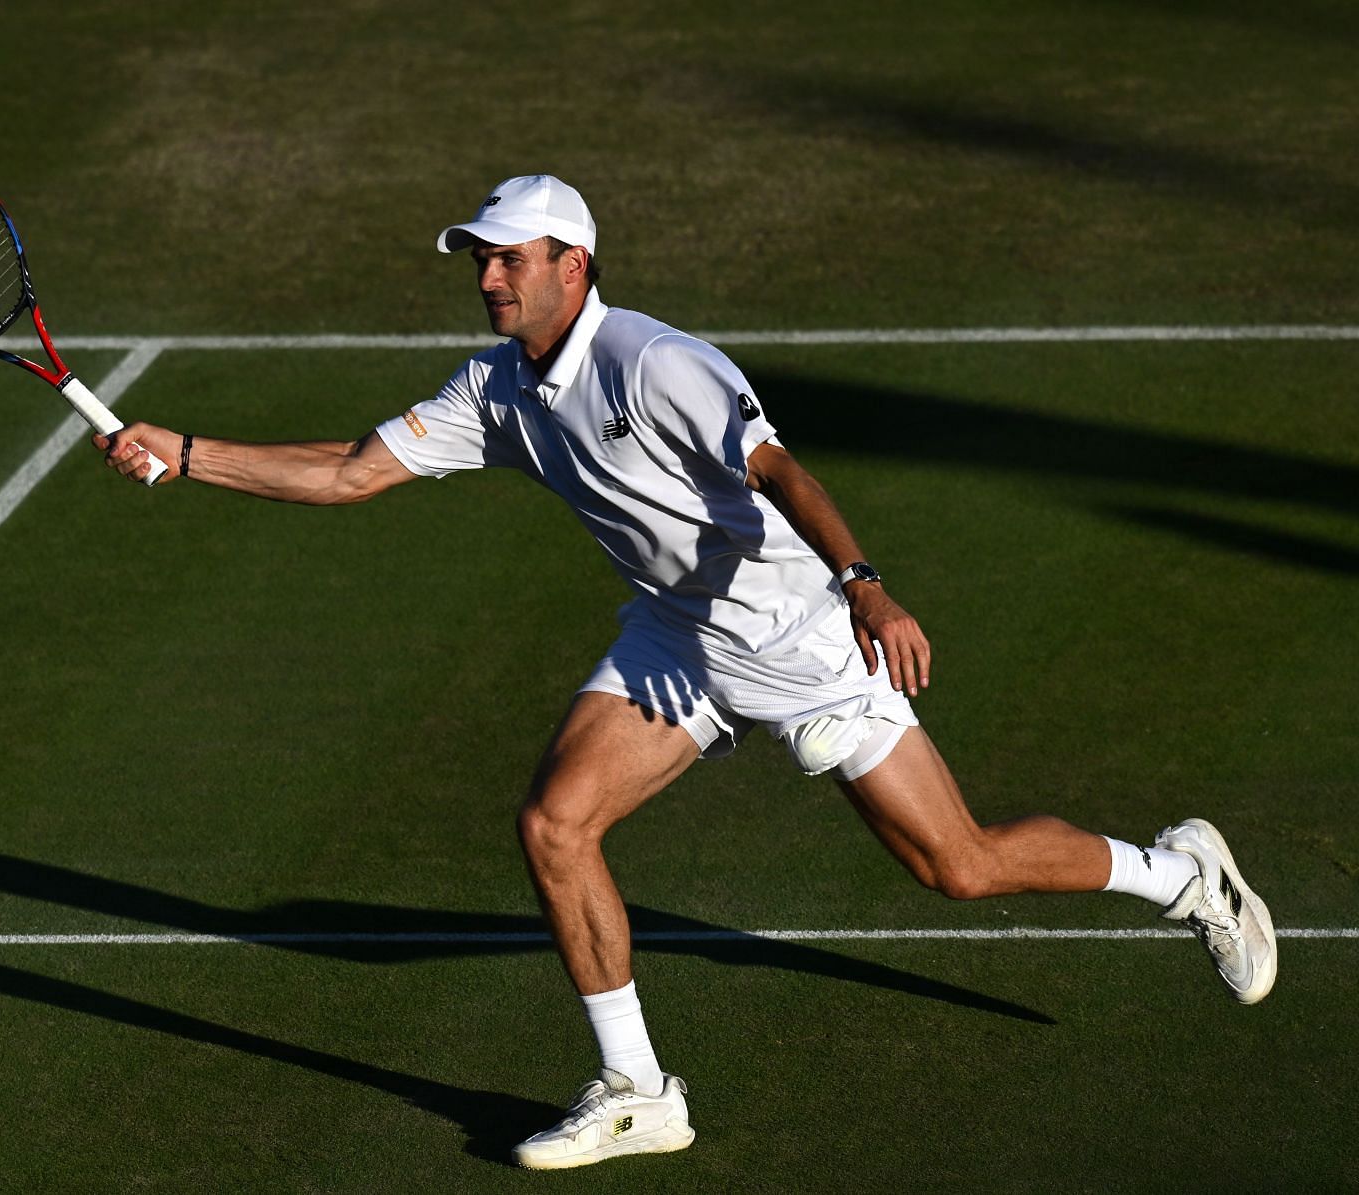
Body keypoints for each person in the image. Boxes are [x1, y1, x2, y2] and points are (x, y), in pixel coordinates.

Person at [94, 175, 1278, 1171]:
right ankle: (639, 1089)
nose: (489, 279)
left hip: (802, 639)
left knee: (958, 866)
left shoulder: (658, 361)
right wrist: (186, 453)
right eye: (479, 262)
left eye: (510, 260)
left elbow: (779, 470)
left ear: (575, 261)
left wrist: (865, 583)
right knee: (556, 826)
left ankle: (1182, 877)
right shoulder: (494, 387)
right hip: (677, 637)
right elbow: (352, 471)